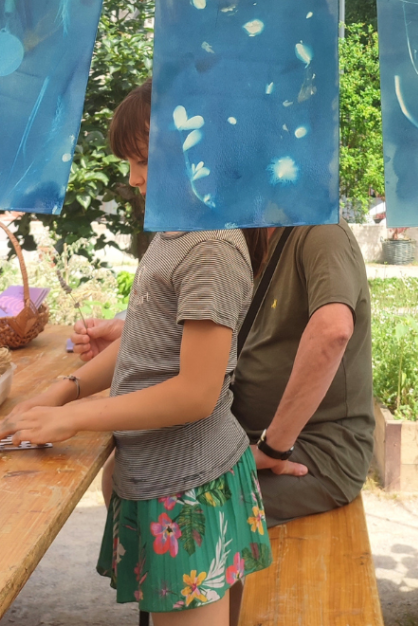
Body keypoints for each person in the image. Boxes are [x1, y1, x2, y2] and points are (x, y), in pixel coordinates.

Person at [0, 82, 272, 624]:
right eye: (129, 162)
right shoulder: (173, 233)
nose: (134, 178)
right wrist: (61, 390)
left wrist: (74, 419)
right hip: (163, 478)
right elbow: (145, 341)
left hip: (190, 489)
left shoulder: (211, 246)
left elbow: (195, 392)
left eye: (143, 161)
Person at [74, 138, 375, 531]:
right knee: (127, 470)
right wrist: (127, 332)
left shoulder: (320, 227)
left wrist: (271, 446)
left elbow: (333, 330)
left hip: (310, 451)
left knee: (164, 500)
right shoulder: (252, 229)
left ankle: (206, 591)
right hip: (241, 428)